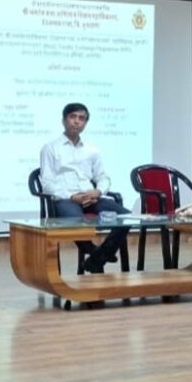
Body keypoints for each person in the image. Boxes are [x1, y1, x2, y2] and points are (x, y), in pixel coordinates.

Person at [39, 103, 129, 273]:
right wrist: (72, 196)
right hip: (66, 199)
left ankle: (99, 256)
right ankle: (95, 252)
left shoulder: (92, 150)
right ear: (64, 120)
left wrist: (98, 191)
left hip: (91, 197)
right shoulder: (50, 148)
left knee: (127, 217)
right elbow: (47, 184)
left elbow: (103, 177)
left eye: (81, 118)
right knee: (77, 222)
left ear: (85, 123)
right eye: (72, 117)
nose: (77, 121)